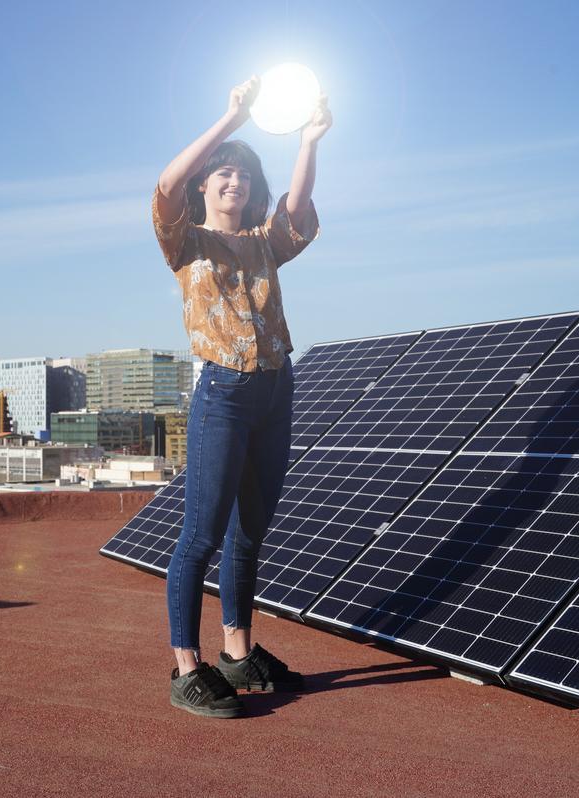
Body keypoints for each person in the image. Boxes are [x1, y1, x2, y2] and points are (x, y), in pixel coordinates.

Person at [153, 75, 332, 718]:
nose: (236, 183)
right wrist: (230, 120)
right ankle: (186, 666)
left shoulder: (263, 246)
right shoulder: (185, 242)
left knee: (251, 530)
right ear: (208, 183)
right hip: (223, 394)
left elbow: (297, 212)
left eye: (244, 177)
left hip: (275, 388)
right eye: (223, 174)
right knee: (201, 534)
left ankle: (238, 651)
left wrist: (309, 140)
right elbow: (167, 188)